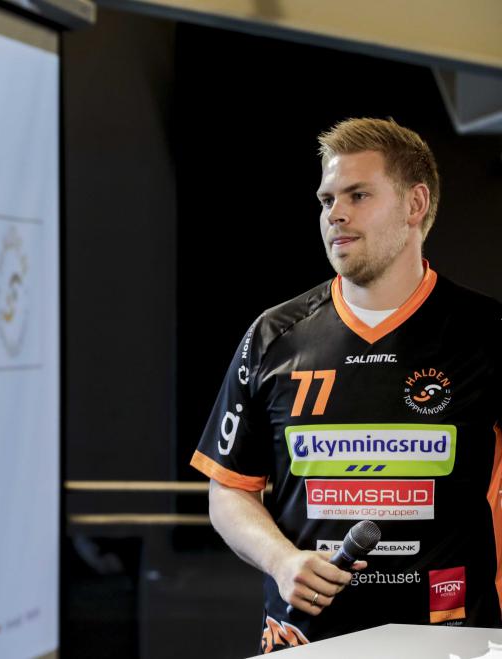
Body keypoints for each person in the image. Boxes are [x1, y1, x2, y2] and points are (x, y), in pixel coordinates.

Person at [191, 117, 502, 652]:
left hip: (452, 639)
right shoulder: (273, 336)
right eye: (326, 199)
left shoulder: (488, 333)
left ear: (415, 204)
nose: (335, 213)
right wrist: (281, 560)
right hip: (307, 640)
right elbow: (230, 489)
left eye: (358, 195)